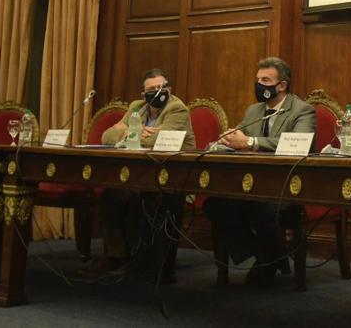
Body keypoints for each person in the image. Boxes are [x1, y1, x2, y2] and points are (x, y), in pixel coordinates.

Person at [203, 57, 316, 287]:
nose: (259, 85)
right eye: (257, 80)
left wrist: (251, 142)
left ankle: (267, 260)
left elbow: (300, 144)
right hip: (250, 184)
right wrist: (229, 140)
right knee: (214, 204)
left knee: (263, 208)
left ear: (282, 85)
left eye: (266, 80)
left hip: (286, 185)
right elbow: (241, 139)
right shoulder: (254, 110)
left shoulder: (302, 110)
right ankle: (270, 255)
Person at [85, 68, 196, 281]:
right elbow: (107, 136)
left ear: (170, 90)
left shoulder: (177, 108)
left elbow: (159, 141)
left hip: (174, 176)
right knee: (112, 195)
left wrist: (128, 131)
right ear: (142, 95)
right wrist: (132, 131)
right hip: (140, 173)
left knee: (144, 198)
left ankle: (144, 260)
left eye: (162, 87)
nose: (158, 92)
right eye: (152, 89)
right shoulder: (137, 107)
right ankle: (117, 256)